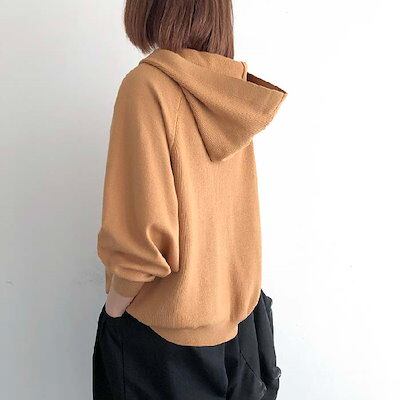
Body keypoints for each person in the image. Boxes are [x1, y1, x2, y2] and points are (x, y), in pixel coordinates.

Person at [93, 1, 287, 399]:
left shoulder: (148, 87)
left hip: (164, 344)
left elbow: (143, 239)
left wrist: (113, 312)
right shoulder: (231, 92)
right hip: (238, 334)